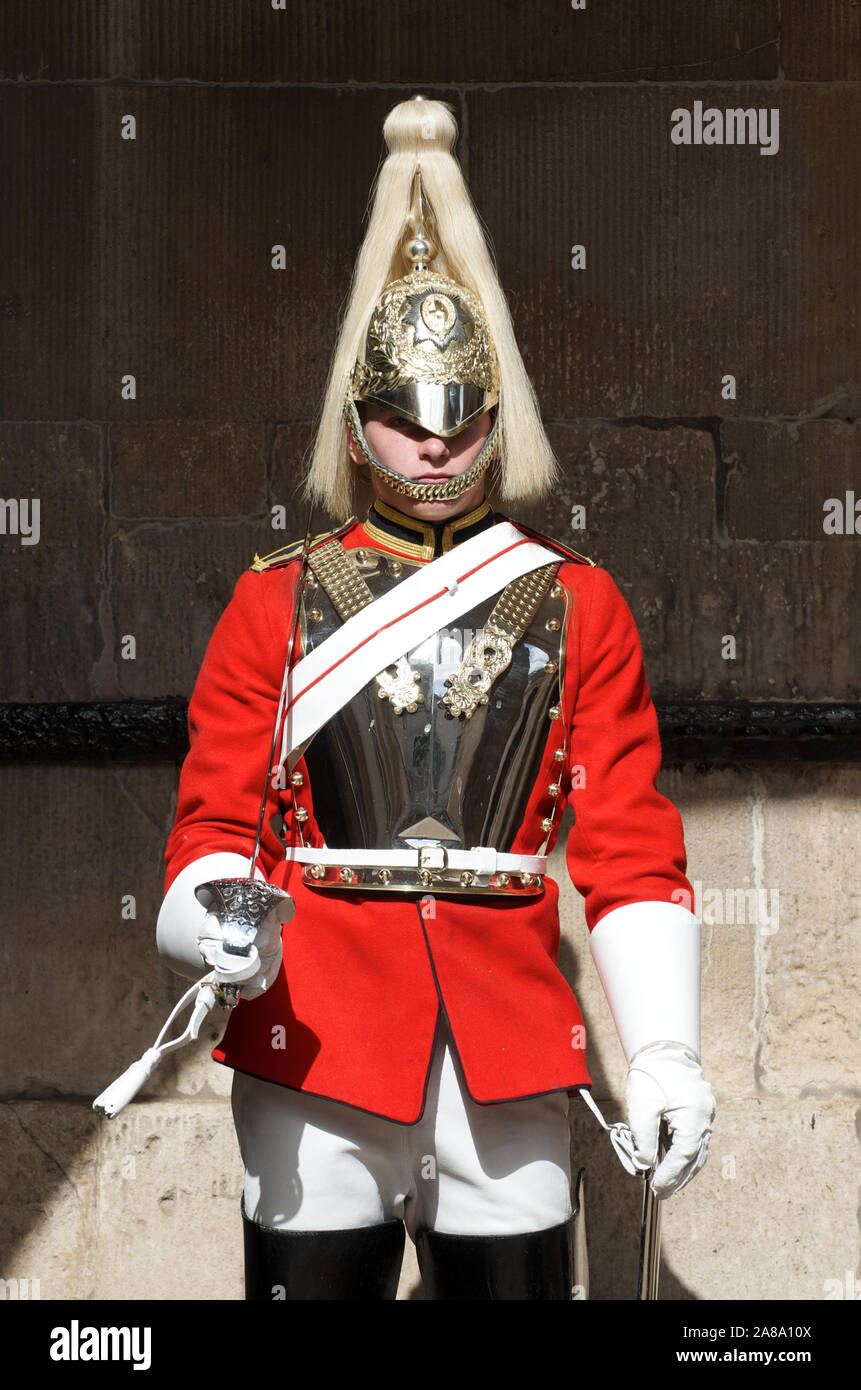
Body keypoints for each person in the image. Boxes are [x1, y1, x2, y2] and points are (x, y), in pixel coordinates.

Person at [155, 97, 715, 1301]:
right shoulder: (276, 601)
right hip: (317, 1033)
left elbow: (623, 841)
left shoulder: (577, 602)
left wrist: (665, 1052)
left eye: (460, 419)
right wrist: (217, 926)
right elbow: (213, 826)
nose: (434, 447)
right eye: (403, 420)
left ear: (495, 422)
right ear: (358, 429)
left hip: (507, 1037)